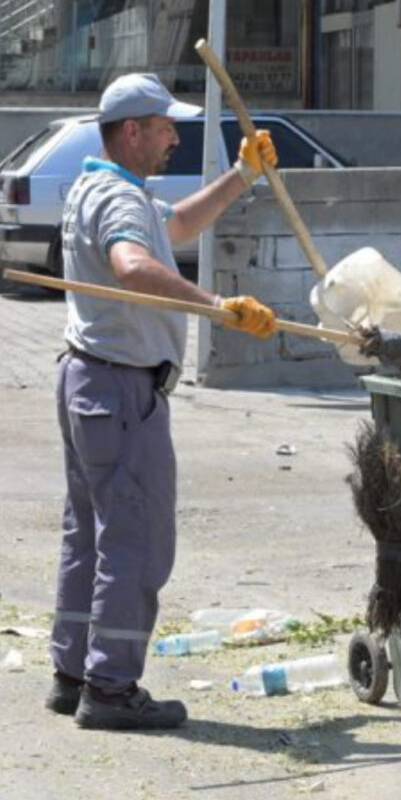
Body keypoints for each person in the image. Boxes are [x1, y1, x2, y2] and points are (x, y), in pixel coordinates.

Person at [48, 72, 280, 732]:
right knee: (135, 541)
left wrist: (241, 177)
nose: (174, 136)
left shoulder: (104, 187)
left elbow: (172, 228)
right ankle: (112, 689)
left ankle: (74, 673)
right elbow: (131, 264)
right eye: (164, 126)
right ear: (132, 131)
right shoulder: (118, 200)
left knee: (89, 537)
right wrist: (216, 307)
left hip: (86, 382)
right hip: (120, 390)